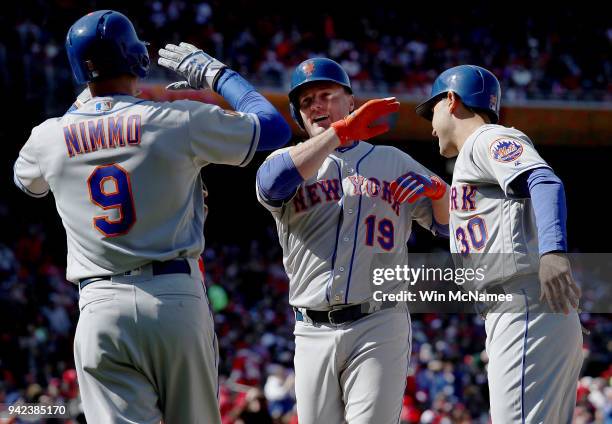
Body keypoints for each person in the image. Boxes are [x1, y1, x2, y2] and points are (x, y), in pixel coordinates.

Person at [13, 10, 291, 423]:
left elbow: (27, 183)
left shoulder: (47, 136)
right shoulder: (174, 119)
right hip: (173, 297)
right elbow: (274, 129)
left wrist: (85, 112)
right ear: (136, 58)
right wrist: (217, 76)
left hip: (100, 305)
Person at [255, 57, 449, 424]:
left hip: (378, 323)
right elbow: (271, 185)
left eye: (326, 95)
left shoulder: (393, 161)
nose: (316, 105)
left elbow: (448, 228)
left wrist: (441, 194)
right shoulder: (287, 161)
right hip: (311, 329)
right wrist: (339, 134)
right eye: (306, 102)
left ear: (352, 102)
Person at [412, 64, 583, 423]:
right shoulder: (473, 160)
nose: (429, 123)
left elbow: (545, 182)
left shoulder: (485, 138)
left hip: (523, 303)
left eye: (433, 110)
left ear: (452, 100)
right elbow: (476, 228)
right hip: (526, 307)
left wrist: (553, 252)